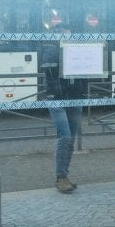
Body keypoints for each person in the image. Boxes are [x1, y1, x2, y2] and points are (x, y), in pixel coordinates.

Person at [41, 25, 88, 193]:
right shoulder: (50, 50)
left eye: (70, 35)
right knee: (65, 137)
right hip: (57, 99)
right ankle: (61, 177)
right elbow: (51, 70)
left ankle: (64, 176)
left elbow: (86, 73)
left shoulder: (76, 51)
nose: (68, 38)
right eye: (64, 35)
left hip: (74, 98)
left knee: (71, 139)